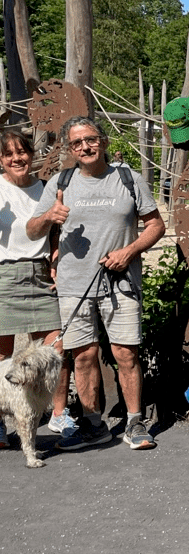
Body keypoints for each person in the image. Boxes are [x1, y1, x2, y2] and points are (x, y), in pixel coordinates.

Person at [27, 117, 165, 451]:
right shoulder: (61, 182)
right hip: (74, 286)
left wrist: (130, 251)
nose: (85, 147)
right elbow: (32, 230)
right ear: (70, 149)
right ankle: (93, 425)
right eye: (77, 143)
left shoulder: (127, 179)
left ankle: (134, 422)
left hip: (121, 283)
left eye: (90, 139)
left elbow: (155, 225)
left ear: (102, 141)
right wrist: (49, 217)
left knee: (125, 353)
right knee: (83, 357)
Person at [0, 131, 68, 448]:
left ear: (31, 155)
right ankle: (2, 420)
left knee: (56, 349)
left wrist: (55, 258)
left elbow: (54, 234)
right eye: (9, 154)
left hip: (40, 273)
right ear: (1, 159)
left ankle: (58, 414)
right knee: (2, 355)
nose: (17, 158)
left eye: (22, 152)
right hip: (5, 273)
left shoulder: (45, 188)